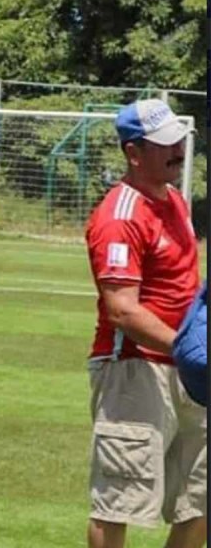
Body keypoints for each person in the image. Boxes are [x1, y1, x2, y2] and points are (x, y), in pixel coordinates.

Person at [84, 99, 206, 548]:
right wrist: (189, 349)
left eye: (179, 141)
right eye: (165, 144)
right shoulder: (119, 217)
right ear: (134, 153)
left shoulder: (174, 200)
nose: (177, 151)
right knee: (119, 501)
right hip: (134, 368)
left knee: (201, 497)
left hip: (189, 369)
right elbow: (122, 310)